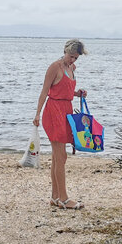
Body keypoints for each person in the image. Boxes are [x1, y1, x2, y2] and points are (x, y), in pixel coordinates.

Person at [33, 39, 88, 210]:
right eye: (71, 56)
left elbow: (63, 90)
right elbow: (45, 92)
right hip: (53, 111)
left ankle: (55, 197)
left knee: (59, 157)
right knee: (60, 155)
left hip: (66, 111)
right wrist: (37, 114)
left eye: (76, 58)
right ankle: (64, 198)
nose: (72, 60)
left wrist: (77, 94)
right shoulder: (54, 67)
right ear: (65, 51)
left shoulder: (72, 69)